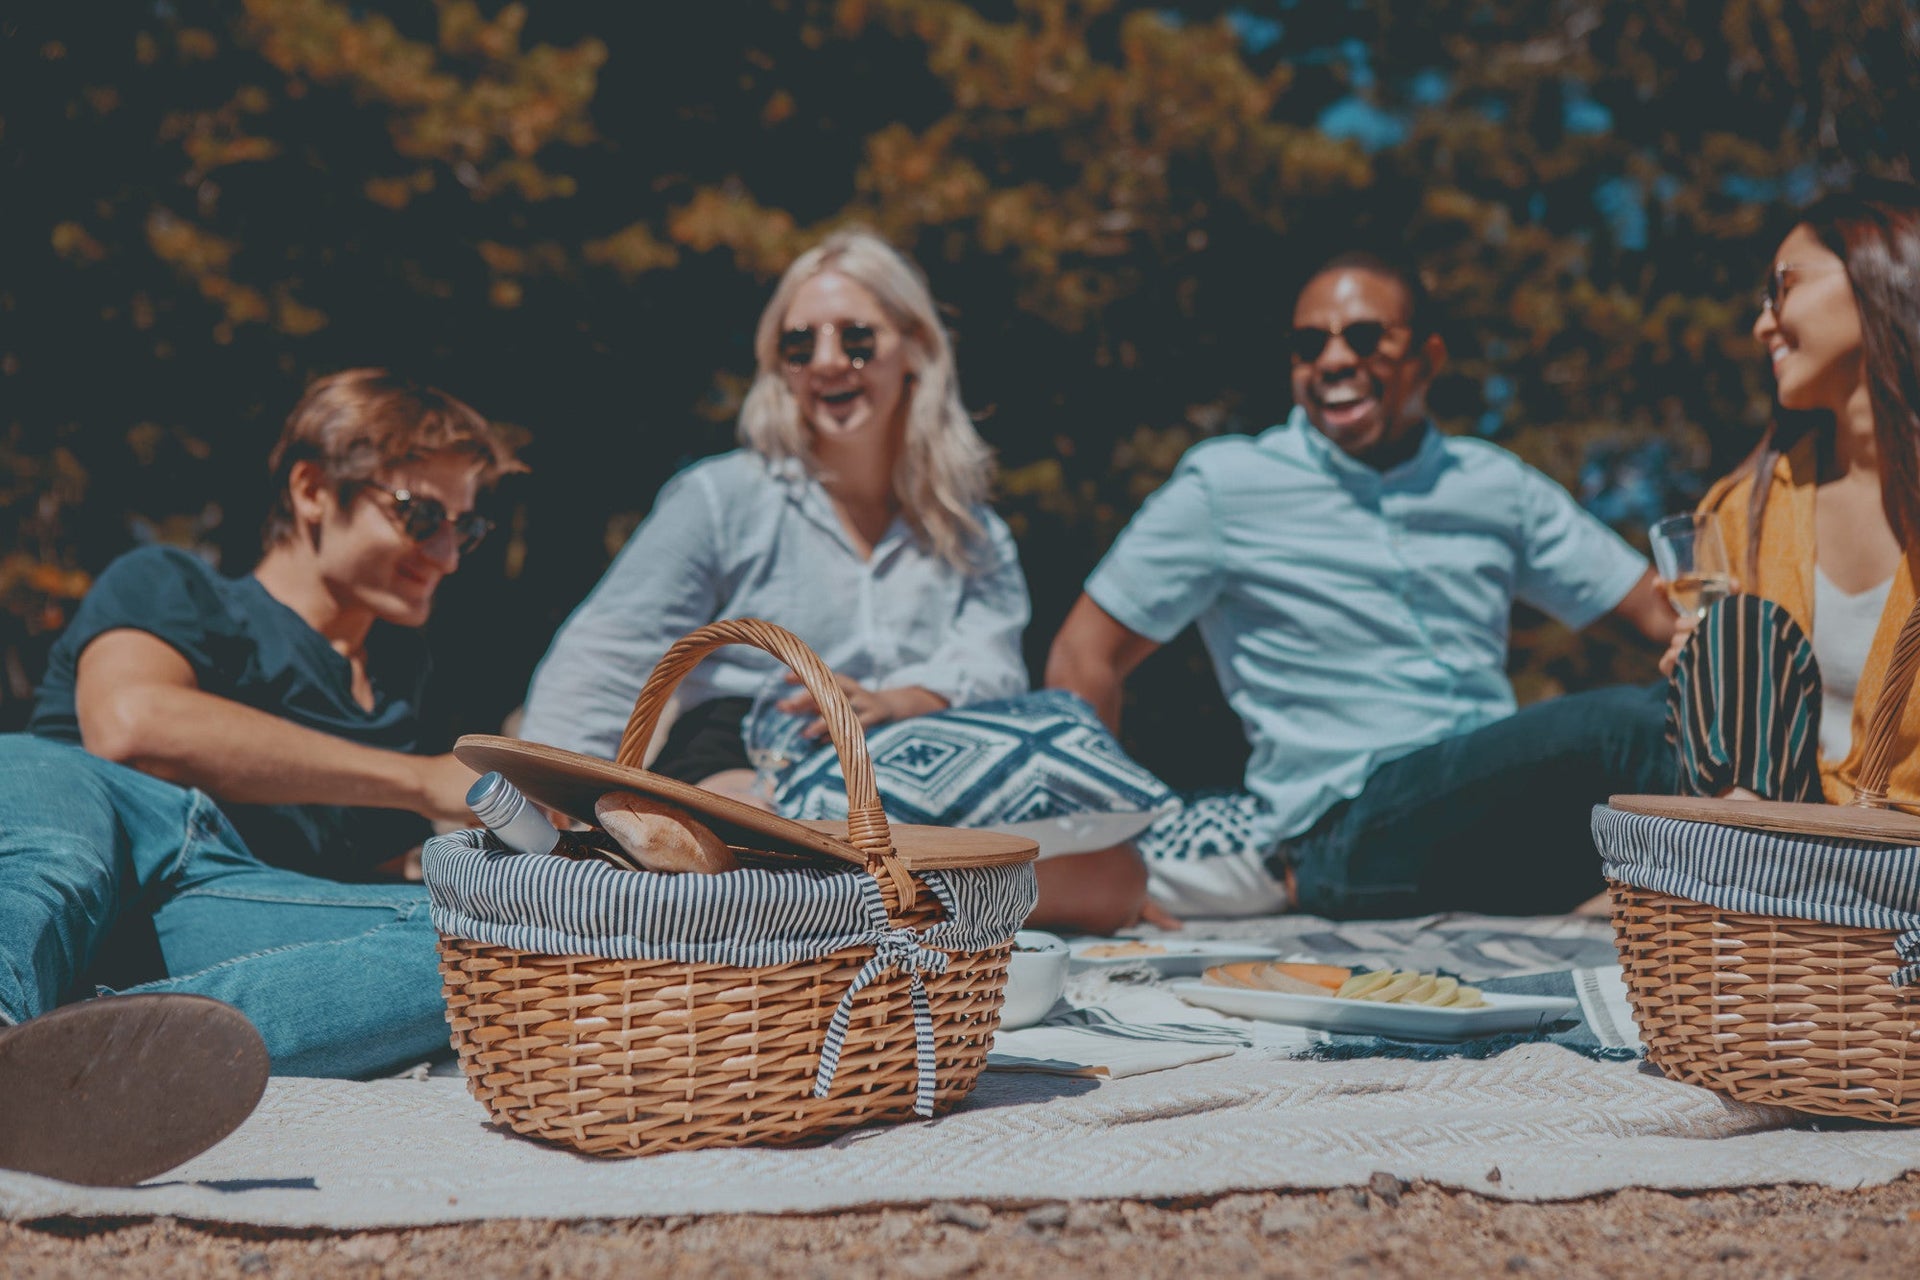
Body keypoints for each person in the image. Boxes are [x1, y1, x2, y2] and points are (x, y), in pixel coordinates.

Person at [520, 229, 1165, 933]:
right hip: (744, 750)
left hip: (918, 765)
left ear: (915, 349)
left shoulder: (971, 530)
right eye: (801, 346)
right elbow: (610, 647)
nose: (828, 362)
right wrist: (545, 808)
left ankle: (837, 915)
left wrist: (897, 701)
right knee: (759, 832)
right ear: (780, 368)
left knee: (1117, 877)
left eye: (856, 338)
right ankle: (892, 911)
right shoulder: (721, 496)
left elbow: (996, 667)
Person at [1047, 247, 1681, 920]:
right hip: (1340, 831)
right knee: (1632, 730)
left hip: (1491, 818)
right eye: (1307, 345)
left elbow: (1659, 611)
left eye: (1365, 337)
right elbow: (1084, 654)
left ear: (1429, 359)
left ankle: (1754, 935)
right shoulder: (1228, 486)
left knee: (1735, 672)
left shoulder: (1495, 485)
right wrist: (1090, 852)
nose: (1334, 361)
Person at [0, 369, 514, 1186]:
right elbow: (130, 724)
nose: (445, 554)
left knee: (493, 938)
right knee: (60, 862)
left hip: (211, 902)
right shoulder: (175, 583)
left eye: (464, 526)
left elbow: (344, 889)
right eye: (420, 515)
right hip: (85, 805)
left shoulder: (401, 679)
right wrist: (421, 780)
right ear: (313, 490)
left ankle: (79, 1070)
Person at [1660, 182, 1920, 806]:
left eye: (1783, 287)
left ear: (1877, 270)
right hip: (1783, 855)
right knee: (1732, 629)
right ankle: (1738, 875)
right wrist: (1705, 674)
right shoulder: (1740, 508)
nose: (1761, 324)